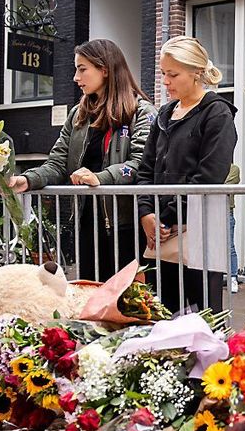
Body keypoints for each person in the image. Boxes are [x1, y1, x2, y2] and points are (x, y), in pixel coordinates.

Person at [9, 38, 155, 281]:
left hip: (127, 224)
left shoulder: (142, 112)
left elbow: (140, 164)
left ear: (105, 69)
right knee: (90, 294)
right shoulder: (78, 114)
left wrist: (100, 178)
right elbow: (57, 162)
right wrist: (28, 179)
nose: (76, 78)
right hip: (87, 223)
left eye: (82, 69)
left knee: (128, 301)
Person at [137, 36, 236, 314]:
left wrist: (165, 218)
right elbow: (146, 168)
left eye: (172, 74)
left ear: (195, 73)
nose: (165, 82)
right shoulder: (165, 113)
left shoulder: (217, 114)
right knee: (162, 311)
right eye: (163, 74)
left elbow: (209, 176)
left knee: (202, 315)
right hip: (162, 231)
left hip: (199, 229)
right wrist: (147, 213)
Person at [225, 163, 240, 294]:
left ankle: (233, 277)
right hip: (209, 210)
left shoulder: (233, 169)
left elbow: (226, 187)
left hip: (226, 211)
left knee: (230, 246)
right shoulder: (209, 166)